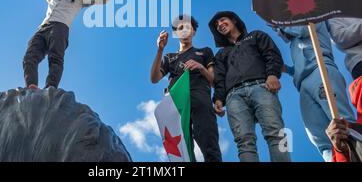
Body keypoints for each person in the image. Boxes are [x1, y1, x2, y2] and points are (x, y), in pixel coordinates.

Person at [23, 0, 129, 89]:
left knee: (55, 59)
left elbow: (103, 0)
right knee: (29, 56)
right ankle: (31, 86)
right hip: (43, 28)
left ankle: (50, 88)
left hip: (60, 28)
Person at [209, 11, 291, 162]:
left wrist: (272, 74)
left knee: (277, 133)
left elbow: (272, 54)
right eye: (216, 25)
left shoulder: (256, 36)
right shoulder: (221, 54)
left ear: (234, 20)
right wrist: (218, 99)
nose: (220, 25)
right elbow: (219, 79)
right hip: (234, 97)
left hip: (262, 87)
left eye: (222, 20)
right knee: (244, 142)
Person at [274, 22, 355, 161]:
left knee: (343, 123)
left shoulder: (313, 18)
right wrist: (286, 69)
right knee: (321, 140)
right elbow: (300, 66)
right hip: (303, 84)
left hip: (321, 70)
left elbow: (304, 30)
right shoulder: (294, 43)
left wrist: (280, 25)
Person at [150, 15, 222, 162]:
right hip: (176, 105)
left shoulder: (205, 52)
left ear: (194, 32)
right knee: (181, 151)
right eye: (180, 28)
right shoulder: (169, 57)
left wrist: (201, 67)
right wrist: (159, 50)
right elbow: (154, 78)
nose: (185, 30)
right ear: (176, 33)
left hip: (200, 100)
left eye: (188, 27)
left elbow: (213, 80)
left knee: (209, 145)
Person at [326, 17, 362, 161]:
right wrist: (341, 149)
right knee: (342, 130)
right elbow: (340, 37)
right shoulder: (338, 13)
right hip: (359, 61)